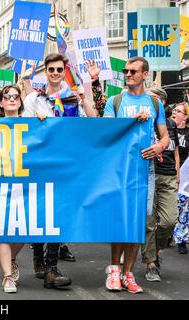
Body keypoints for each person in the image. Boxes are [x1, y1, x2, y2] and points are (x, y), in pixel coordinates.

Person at [20, 53, 95, 289]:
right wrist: (37, 122)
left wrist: (86, 94)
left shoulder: (72, 97)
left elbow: (90, 121)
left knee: (58, 213)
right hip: (40, 163)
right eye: (50, 70)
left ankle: (51, 267)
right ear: (45, 72)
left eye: (59, 70)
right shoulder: (34, 98)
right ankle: (38, 259)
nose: (54, 74)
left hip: (63, 163)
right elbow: (24, 128)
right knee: (41, 211)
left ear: (64, 71)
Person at [103, 56, 169, 294]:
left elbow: (164, 136)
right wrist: (131, 122)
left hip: (145, 170)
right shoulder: (115, 101)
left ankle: (128, 273)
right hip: (120, 169)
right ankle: (114, 269)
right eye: (126, 71)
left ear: (145, 75)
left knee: (139, 222)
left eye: (133, 71)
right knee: (121, 220)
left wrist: (160, 146)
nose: (128, 74)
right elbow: (106, 132)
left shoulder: (154, 104)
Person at [0, 84, 25, 293]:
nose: (11, 99)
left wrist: (44, 123)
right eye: (7, 96)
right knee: (3, 232)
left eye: (15, 96)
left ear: (20, 101)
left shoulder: (32, 124)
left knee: (25, 232)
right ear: (1, 102)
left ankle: (11, 257)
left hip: (25, 186)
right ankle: (8, 277)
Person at [140, 88, 179, 282]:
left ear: (161, 103)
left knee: (169, 220)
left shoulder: (170, 124)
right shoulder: (142, 122)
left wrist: (178, 175)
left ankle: (156, 249)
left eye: (153, 99)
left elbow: (176, 151)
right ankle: (151, 263)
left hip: (169, 176)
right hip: (149, 174)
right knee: (148, 221)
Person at [172, 102, 189, 254]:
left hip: (186, 176)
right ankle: (167, 234)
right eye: (174, 110)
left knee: (183, 207)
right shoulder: (167, 129)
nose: (174, 112)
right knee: (173, 208)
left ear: (185, 116)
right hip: (170, 172)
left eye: (178, 111)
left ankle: (181, 240)